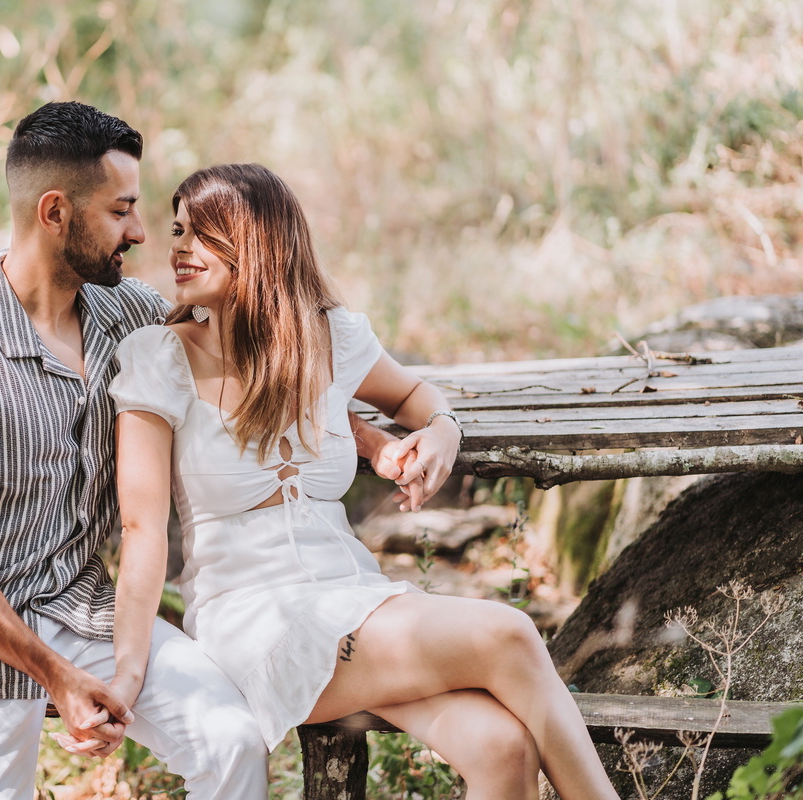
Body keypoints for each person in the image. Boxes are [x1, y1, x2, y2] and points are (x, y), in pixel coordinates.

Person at [105, 163, 622, 799]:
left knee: (499, 748)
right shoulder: (158, 359)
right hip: (253, 619)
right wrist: (129, 669)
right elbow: (142, 529)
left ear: (259, 244)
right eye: (178, 230)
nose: (179, 247)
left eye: (203, 234)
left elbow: (416, 395)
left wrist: (441, 432)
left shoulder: (327, 339)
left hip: (354, 594)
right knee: (510, 632)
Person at [0, 103, 273, 800]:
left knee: (231, 740)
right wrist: (56, 675)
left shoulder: (129, 316)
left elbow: (256, 357)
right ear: (55, 212)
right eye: (121, 211)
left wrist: (381, 434)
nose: (140, 233)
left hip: (77, 606)